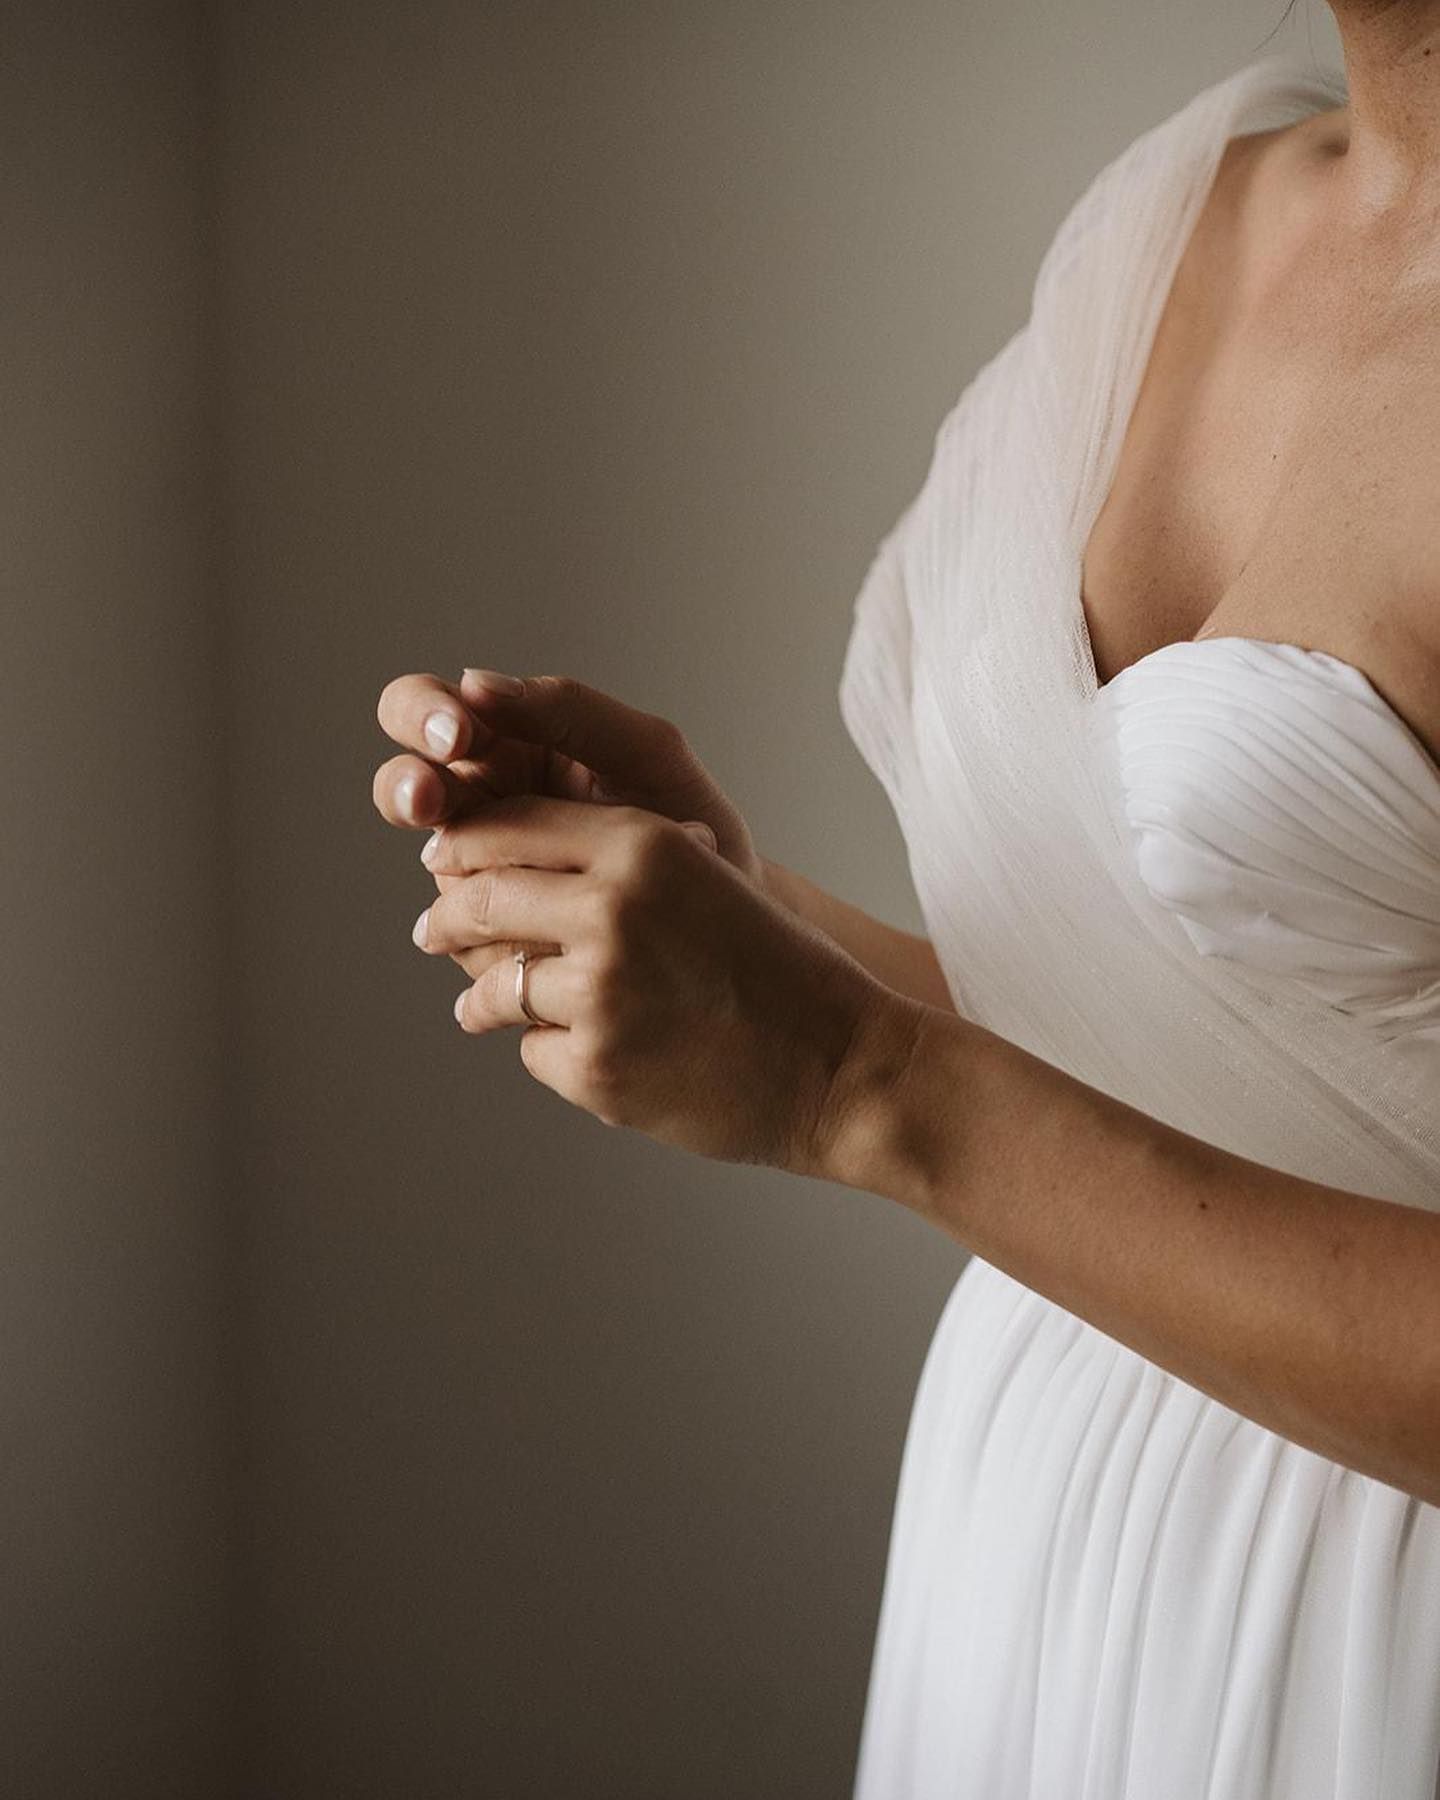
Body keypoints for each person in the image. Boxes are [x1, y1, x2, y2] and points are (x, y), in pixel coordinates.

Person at [371, 15, 1440, 1797]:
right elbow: (1248, 1054)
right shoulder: (1196, 208)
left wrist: (862, 1089)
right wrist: (761, 938)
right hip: (1045, 1520)